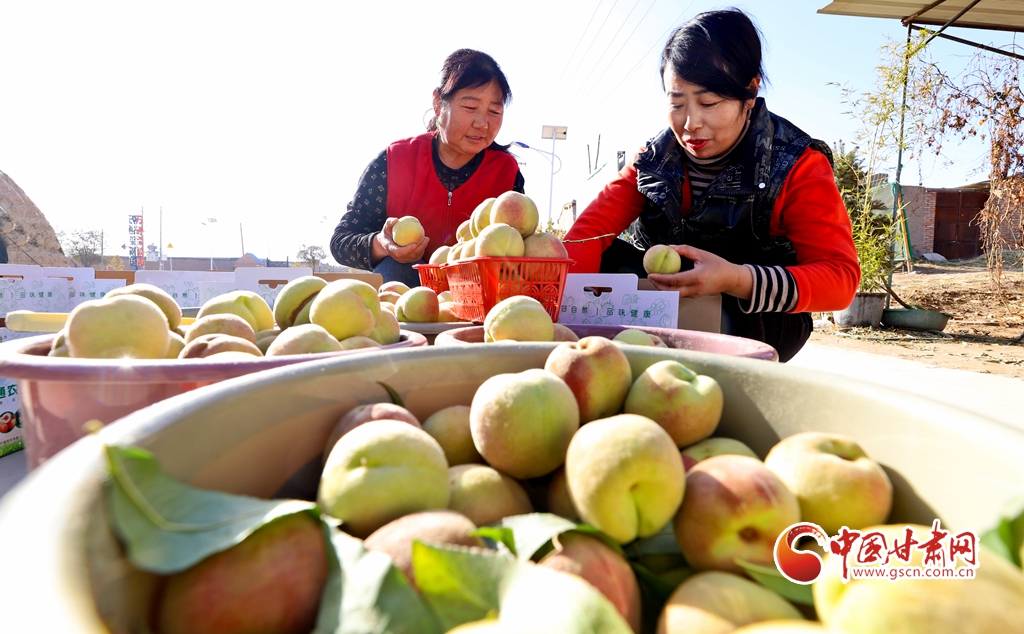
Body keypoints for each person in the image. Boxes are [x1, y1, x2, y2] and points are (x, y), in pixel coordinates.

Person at [563, 9, 859, 362]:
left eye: (708, 102)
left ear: (750, 92)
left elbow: (839, 279)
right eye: (677, 103)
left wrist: (735, 279)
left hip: (753, 319)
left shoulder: (797, 164)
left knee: (734, 318)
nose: (690, 123)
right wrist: (556, 318)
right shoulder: (652, 161)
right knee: (603, 257)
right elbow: (585, 237)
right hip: (662, 304)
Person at [330, 49, 525, 287]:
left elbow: (523, 247)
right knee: (394, 266)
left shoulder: (506, 173)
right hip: (407, 295)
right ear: (438, 103)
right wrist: (383, 244)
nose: (482, 123)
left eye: (494, 111)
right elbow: (341, 241)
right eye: (470, 107)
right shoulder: (394, 160)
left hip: (480, 291)